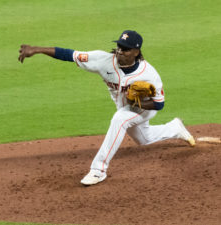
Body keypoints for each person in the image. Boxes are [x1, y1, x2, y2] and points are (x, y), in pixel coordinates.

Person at [18, 30, 195, 186]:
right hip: (125, 107)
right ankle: (175, 128)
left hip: (145, 109)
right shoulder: (103, 60)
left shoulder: (149, 74)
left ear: (136, 52)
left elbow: (159, 104)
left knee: (119, 119)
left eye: (125, 49)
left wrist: (138, 103)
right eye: (119, 46)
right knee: (143, 138)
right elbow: (69, 54)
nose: (120, 51)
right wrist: (37, 49)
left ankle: (98, 170)